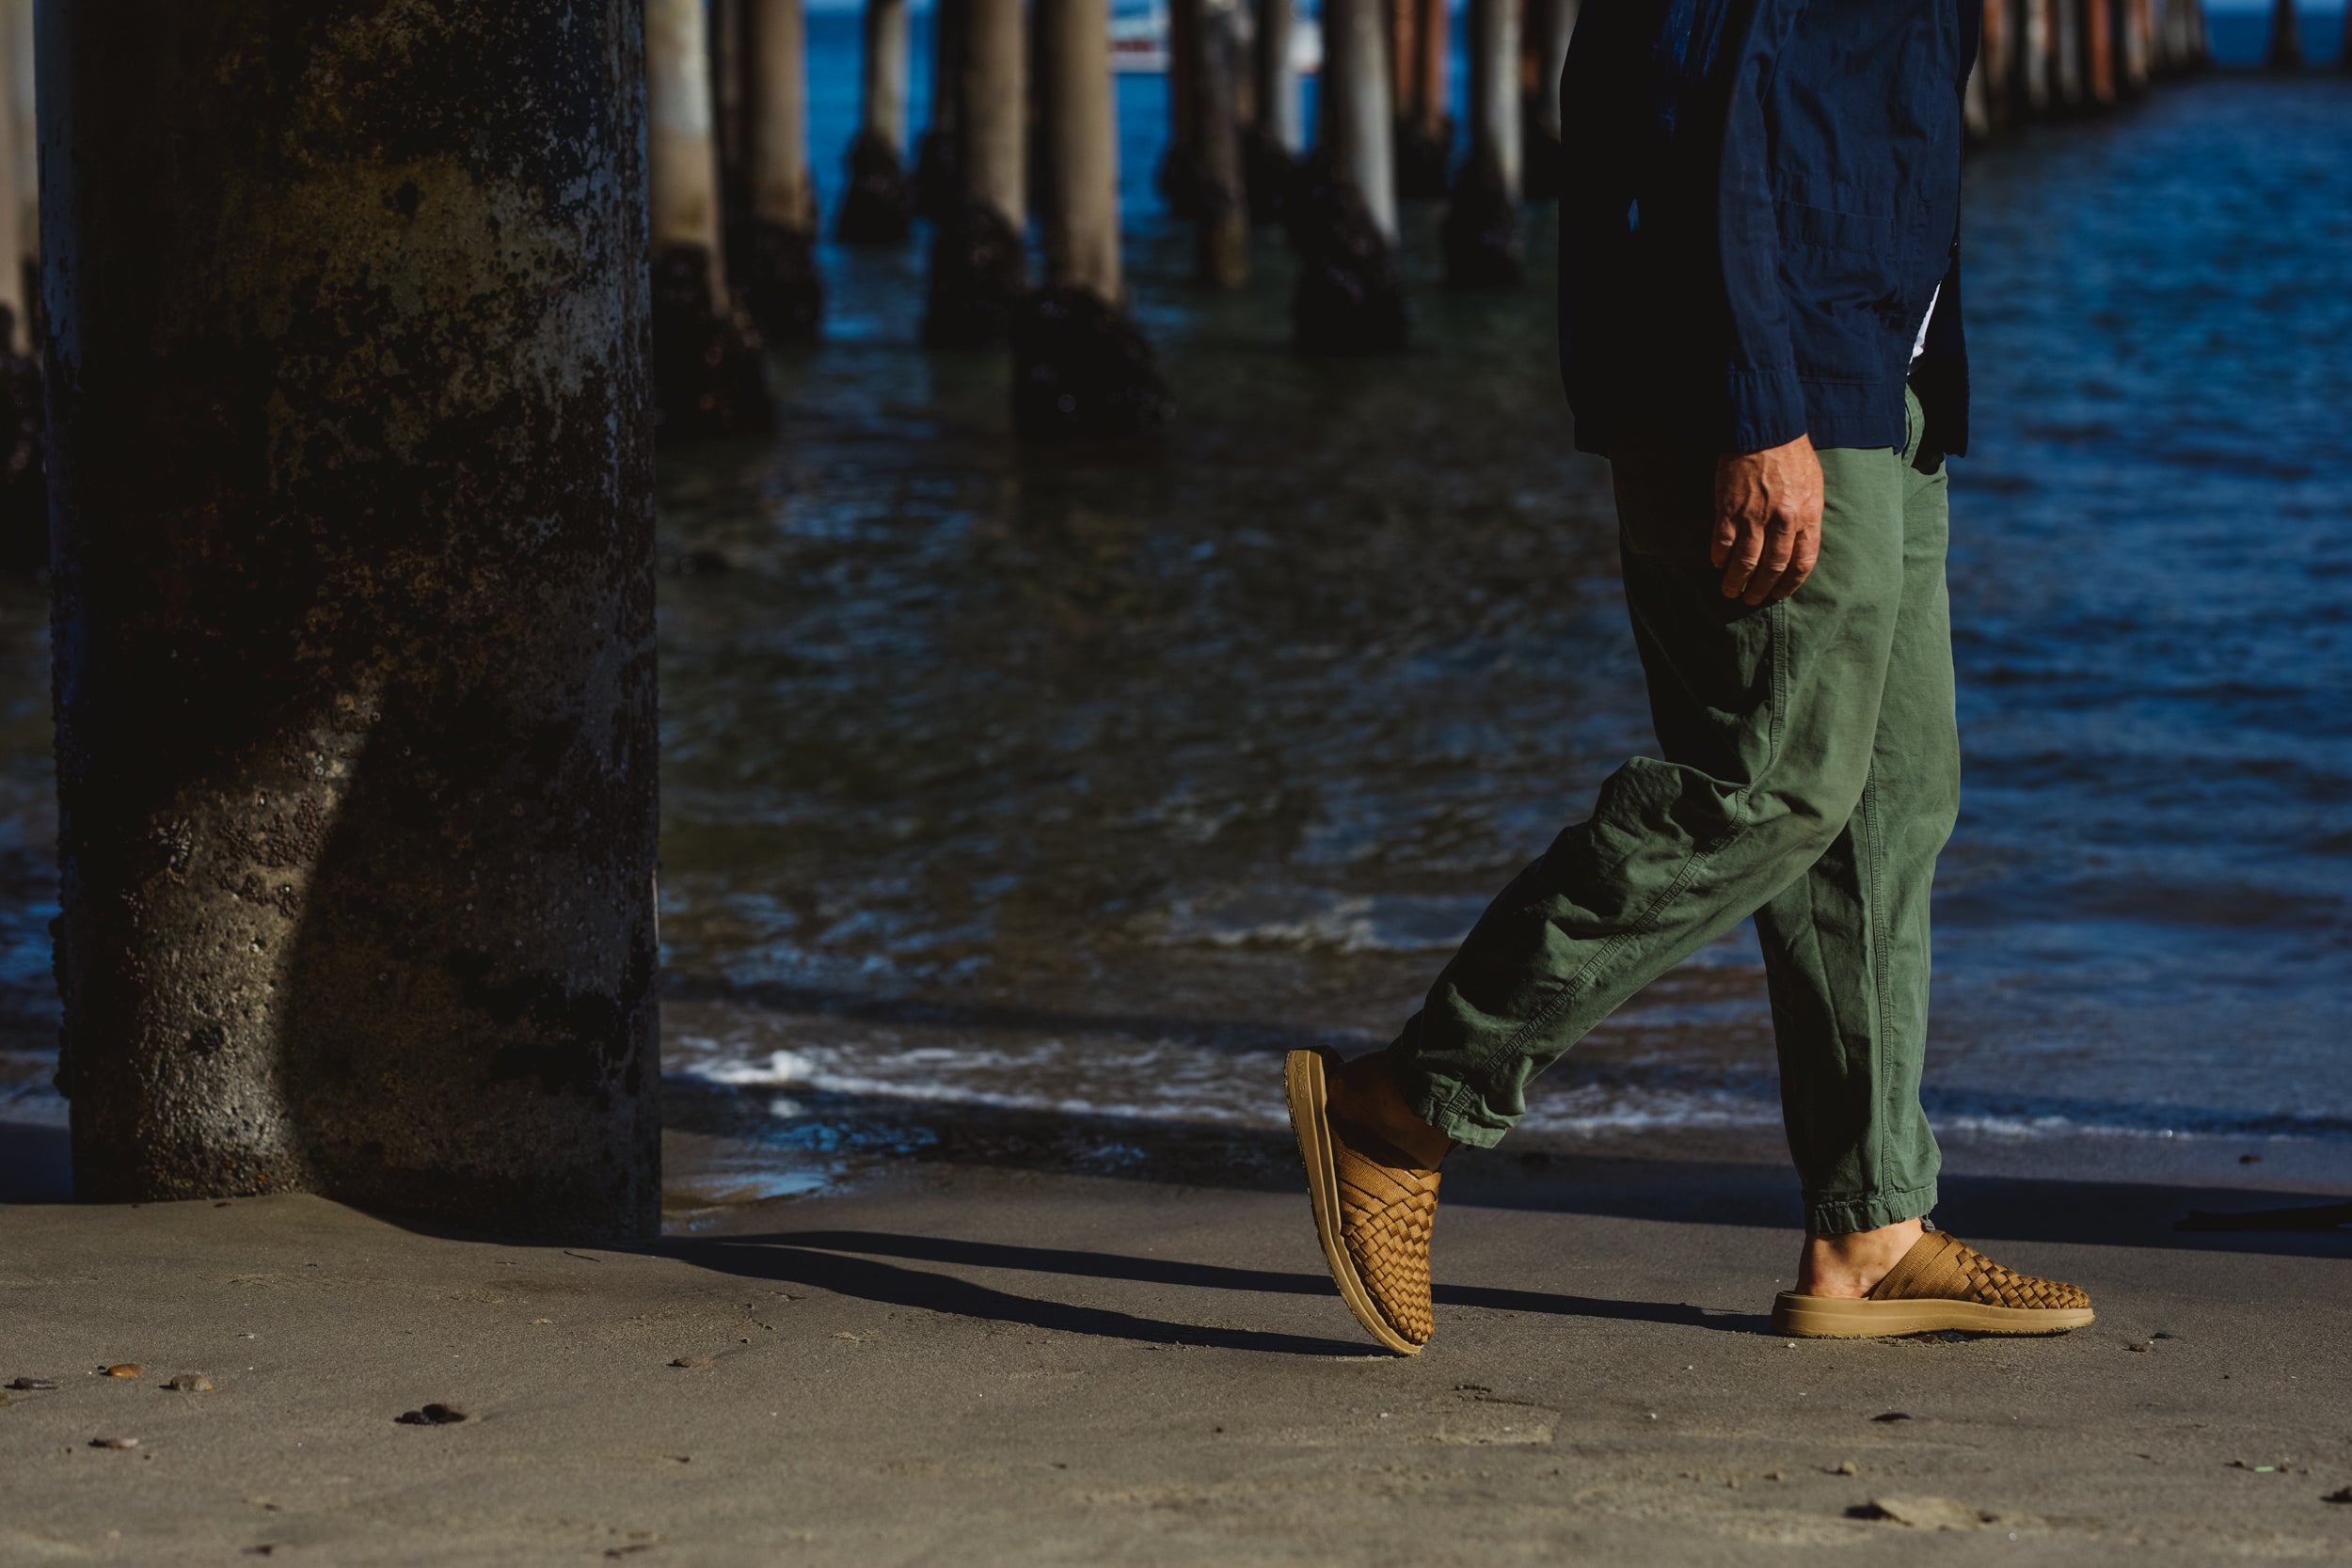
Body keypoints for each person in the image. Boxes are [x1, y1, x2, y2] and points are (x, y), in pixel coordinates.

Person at [1283, 0, 2096, 1354]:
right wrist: (1753, 395)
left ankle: (1869, 1226)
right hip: (1768, 385)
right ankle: (1409, 1104)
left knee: (1893, 799)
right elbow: (1670, 98)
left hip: (1873, 370)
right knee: (1766, 784)